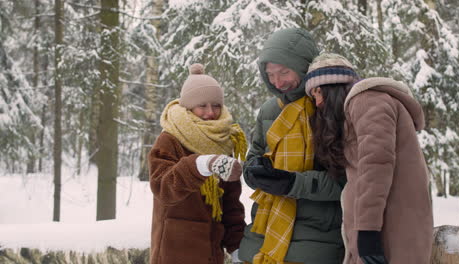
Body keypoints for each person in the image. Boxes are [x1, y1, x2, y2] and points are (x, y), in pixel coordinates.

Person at [304, 53, 433, 264]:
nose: (317, 102)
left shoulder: (367, 100)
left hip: (390, 228)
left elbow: (376, 166)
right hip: (388, 225)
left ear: (333, 87)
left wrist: (368, 232)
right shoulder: (360, 108)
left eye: (318, 92)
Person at [238, 28, 346, 264]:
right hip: (263, 234)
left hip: (316, 238)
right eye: (271, 75)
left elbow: (345, 181)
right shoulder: (269, 110)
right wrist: (254, 170)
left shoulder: (328, 105)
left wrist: (292, 183)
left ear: (304, 67)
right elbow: (253, 155)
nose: (278, 82)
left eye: (284, 72)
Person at [148, 63, 247, 264]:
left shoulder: (224, 142)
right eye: (202, 105)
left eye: (216, 105)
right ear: (189, 107)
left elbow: (230, 204)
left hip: (212, 252)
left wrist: (237, 248)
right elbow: (163, 188)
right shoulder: (169, 140)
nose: (210, 112)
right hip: (174, 251)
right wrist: (201, 165)